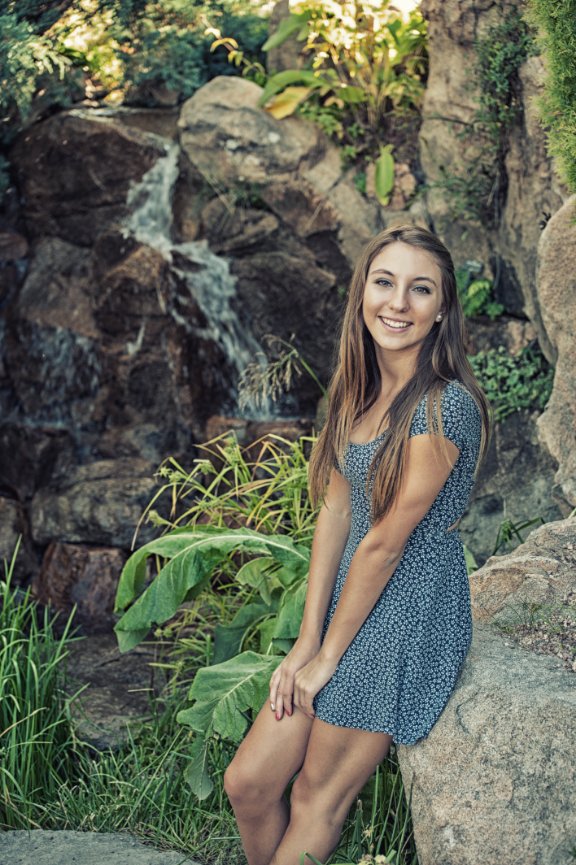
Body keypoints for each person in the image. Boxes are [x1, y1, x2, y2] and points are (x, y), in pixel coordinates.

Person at [224, 225, 490, 865]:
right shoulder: (357, 389)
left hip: (407, 614)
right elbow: (337, 511)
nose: (398, 303)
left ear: (442, 309)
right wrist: (306, 641)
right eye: (385, 282)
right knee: (250, 783)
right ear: (362, 292)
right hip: (351, 602)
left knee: (318, 797)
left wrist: (329, 657)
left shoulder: (443, 407)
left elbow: (385, 545)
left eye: (420, 289)